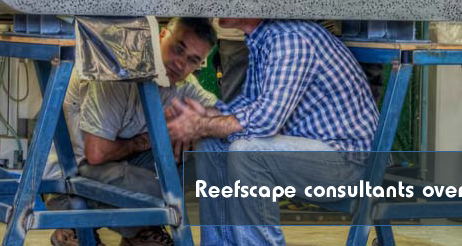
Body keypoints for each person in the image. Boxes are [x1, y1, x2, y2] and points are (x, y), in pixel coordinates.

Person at [166, 18, 379, 246]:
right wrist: (203, 116)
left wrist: (199, 124)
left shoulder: (290, 38)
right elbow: (250, 104)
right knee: (211, 144)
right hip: (312, 156)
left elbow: (266, 120)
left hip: (349, 165)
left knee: (247, 152)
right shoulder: (262, 39)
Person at [50, 17, 218, 246]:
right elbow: (96, 153)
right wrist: (150, 139)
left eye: (192, 60)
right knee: (163, 189)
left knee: (207, 157)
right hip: (73, 172)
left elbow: (219, 112)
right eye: (178, 49)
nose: (181, 64)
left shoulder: (182, 84)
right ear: (161, 37)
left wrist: (196, 125)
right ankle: (77, 221)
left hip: (121, 169)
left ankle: (138, 228)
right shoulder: (118, 70)